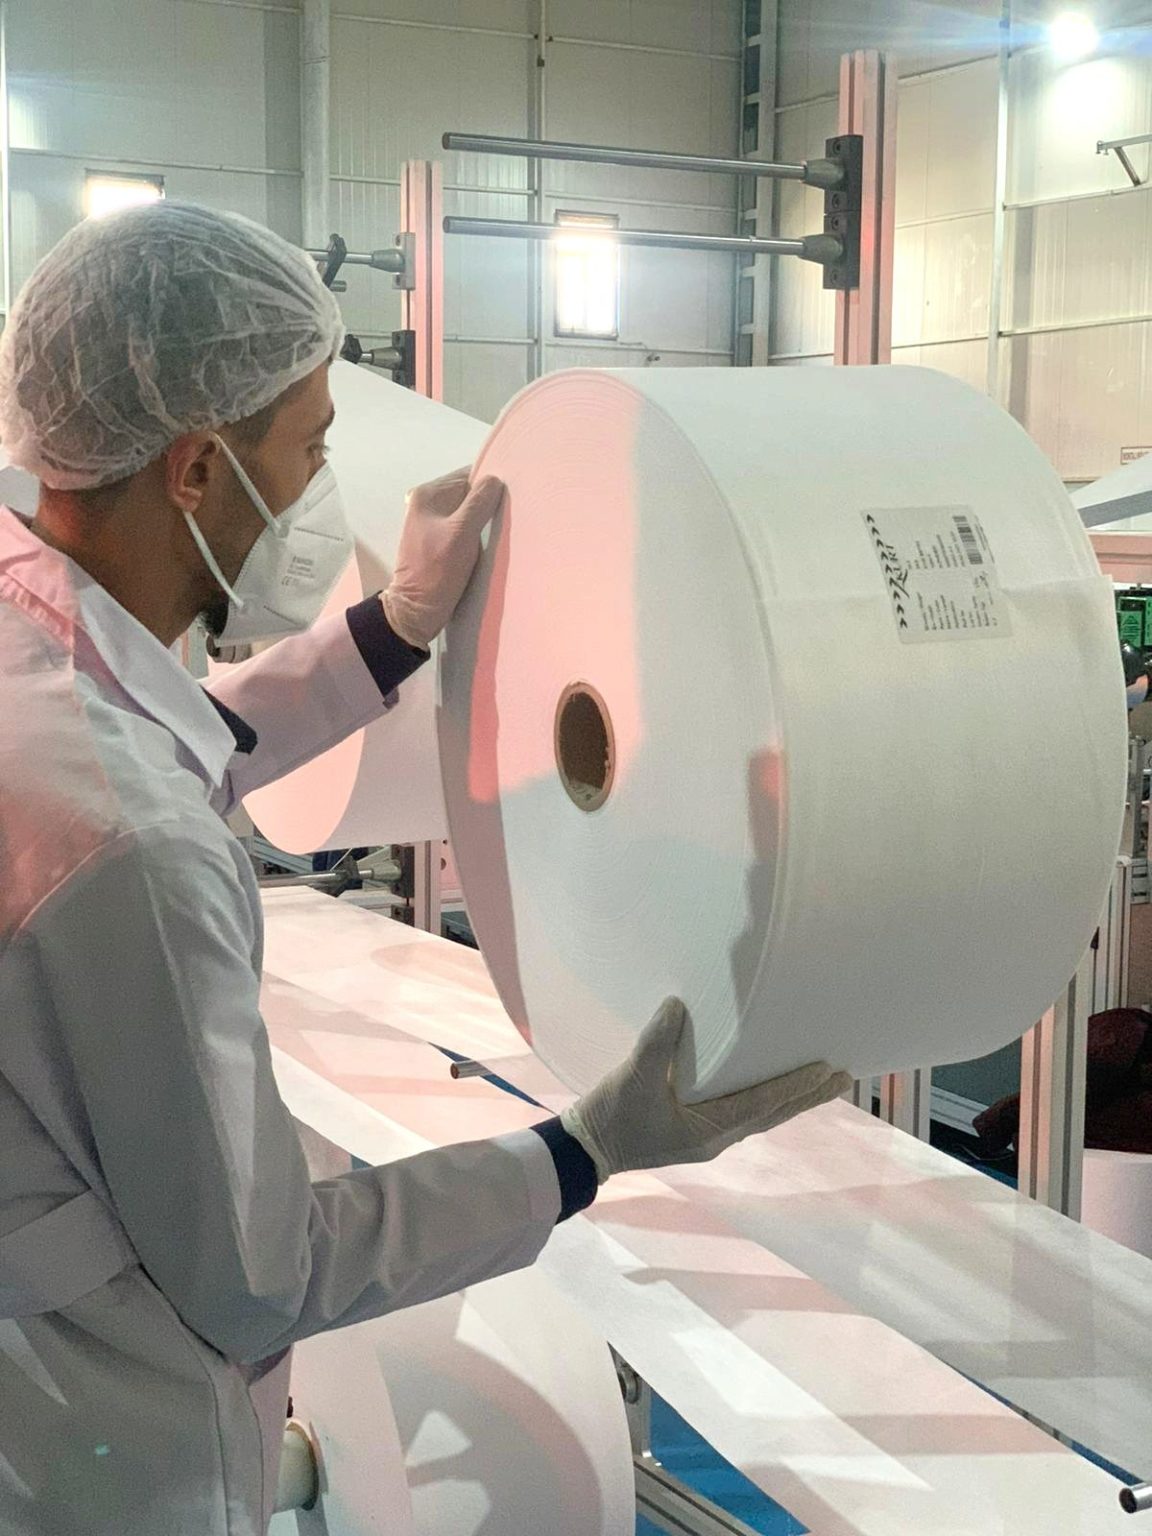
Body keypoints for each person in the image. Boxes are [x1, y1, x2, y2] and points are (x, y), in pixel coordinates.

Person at [0, 202, 850, 1536]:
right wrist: (579, 1155)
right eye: (308, 447)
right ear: (197, 470)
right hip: (102, 1452)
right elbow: (263, 1278)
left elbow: (160, 737)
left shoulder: (28, 621)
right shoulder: (136, 855)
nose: (320, 488)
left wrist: (391, 632)